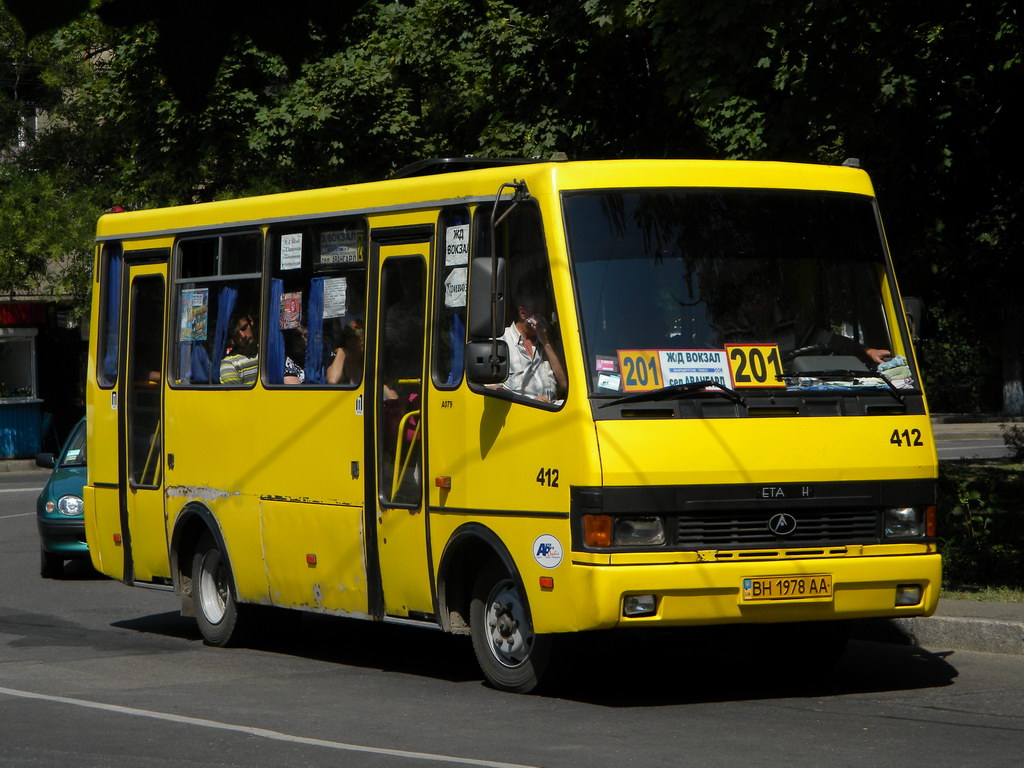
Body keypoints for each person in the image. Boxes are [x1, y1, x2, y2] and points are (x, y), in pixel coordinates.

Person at [500, 297, 567, 403]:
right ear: (523, 313)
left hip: (553, 412)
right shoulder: (502, 342)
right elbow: (492, 388)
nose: (544, 321)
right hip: (523, 413)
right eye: (540, 316)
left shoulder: (547, 343)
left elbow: (564, 384)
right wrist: (529, 401)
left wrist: (547, 343)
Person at [220, 312, 258, 385]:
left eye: (244, 328)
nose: (243, 336)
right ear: (232, 339)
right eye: (236, 334)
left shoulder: (266, 352)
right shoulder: (229, 364)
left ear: (251, 322)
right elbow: (236, 396)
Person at [326, 320, 365, 385]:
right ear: (350, 345)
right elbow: (332, 380)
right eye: (362, 345)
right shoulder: (342, 361)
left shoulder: (368, 362)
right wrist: (342, 351)